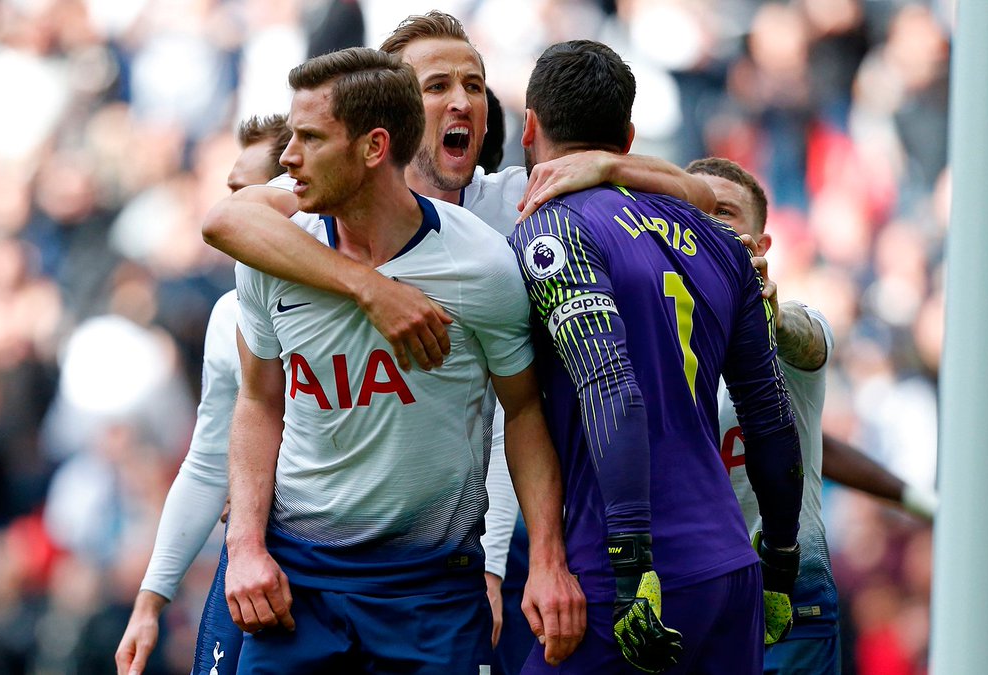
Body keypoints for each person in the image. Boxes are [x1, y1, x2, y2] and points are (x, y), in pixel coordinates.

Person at [199, 10, 715, 665]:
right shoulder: (303, 201)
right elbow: (227, 228)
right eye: (437, 84)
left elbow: (519, 410)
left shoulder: (508, 217)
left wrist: (608, 171)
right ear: (383, 125)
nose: (463, 100)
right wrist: (371, 287)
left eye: (473, 84)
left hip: (442, 562)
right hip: (303, 562)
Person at [207, 47, 585, 673]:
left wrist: (546, 560)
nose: (288, 157)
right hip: (299, 580)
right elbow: (259, 400)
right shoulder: (272, 255)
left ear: (373, 147)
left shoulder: (482, 265)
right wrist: (245, 546)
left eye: (309, 138)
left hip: (431, 587)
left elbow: (522, 412)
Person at [508, 40, 804, 674]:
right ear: (630, 134)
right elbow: (771, 415)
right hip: (733, 570)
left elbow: (611, 387)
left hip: (628, 573)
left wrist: (632, 568)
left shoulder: (549, 226)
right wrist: (781, 560)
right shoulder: (721, 241)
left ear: (529, 125)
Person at [689, 155, 938, 674]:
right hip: (692, 593)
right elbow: (810, 446)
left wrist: (768, 315)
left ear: (761, 244)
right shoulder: (656, 335)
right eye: (695, 208)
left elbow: (804, 341)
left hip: (792, 598)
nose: (709, 222)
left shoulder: (796, 332)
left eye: (726, 212)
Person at [113, 114, 291, 675]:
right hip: (251, 566)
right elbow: (209, 461)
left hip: (359, 566)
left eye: (243, 192)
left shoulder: (374, 295)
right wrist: (151, 601)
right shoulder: (228, 315)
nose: (223, 213)